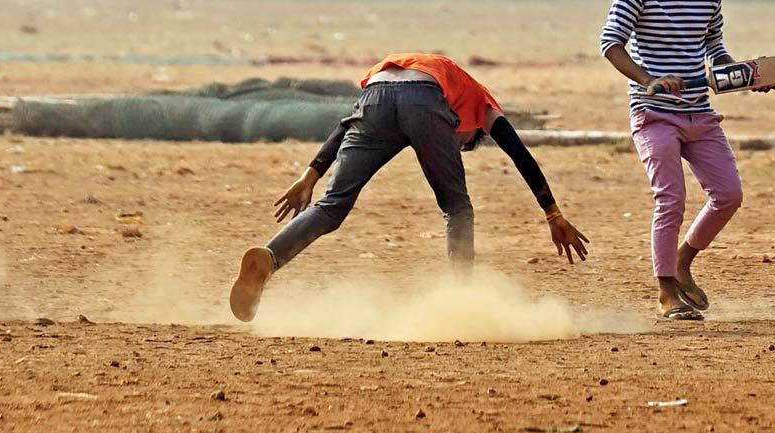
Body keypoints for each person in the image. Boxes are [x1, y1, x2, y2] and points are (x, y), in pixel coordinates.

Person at [229, 53, 591, 322]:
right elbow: (518, 152)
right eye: (462, 143)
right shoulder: (483, 104)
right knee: (458, 208)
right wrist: (552, 213)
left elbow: (347, 123)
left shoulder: (434, 73)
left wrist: (311, 175)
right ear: (472, 132)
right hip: (424, 98)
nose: (457, 143)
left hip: (376, 92)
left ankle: (270, 257)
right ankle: (462, 301)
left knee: (331, 206)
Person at [599, 0, 774, 322]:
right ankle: (665, 293)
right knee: (671, 199)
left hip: (699, 111)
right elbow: (610, 44)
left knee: (729, 195)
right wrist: (649, 80)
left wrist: (746, 77)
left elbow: (714, 44)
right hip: (654, 114)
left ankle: (683, 261)